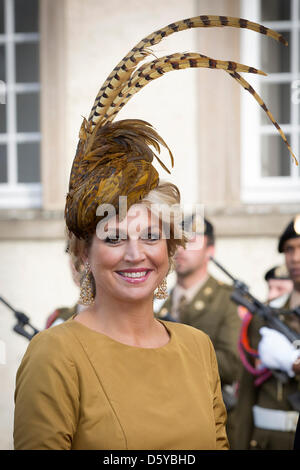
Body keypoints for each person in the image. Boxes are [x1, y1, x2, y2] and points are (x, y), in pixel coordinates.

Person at [13, 15, 294, 451]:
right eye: (113, 237)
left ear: (169, 248)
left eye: (150, 236)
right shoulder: (54, 354)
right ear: (82, 254)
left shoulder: (197, 347)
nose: (134, 254)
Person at [157, 213, 241, 447]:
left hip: (209, 418)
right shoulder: (157, 302)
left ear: (210, 250)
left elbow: (232, 363)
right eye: (177, 240)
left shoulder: (228, 299)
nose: (181, 248)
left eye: (191, 240)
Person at [234, 216, 300, 450]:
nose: (295, 258)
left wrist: (294, 364)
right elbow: (247, 394)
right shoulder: (265, 315)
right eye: (289, 250)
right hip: (265, 440)